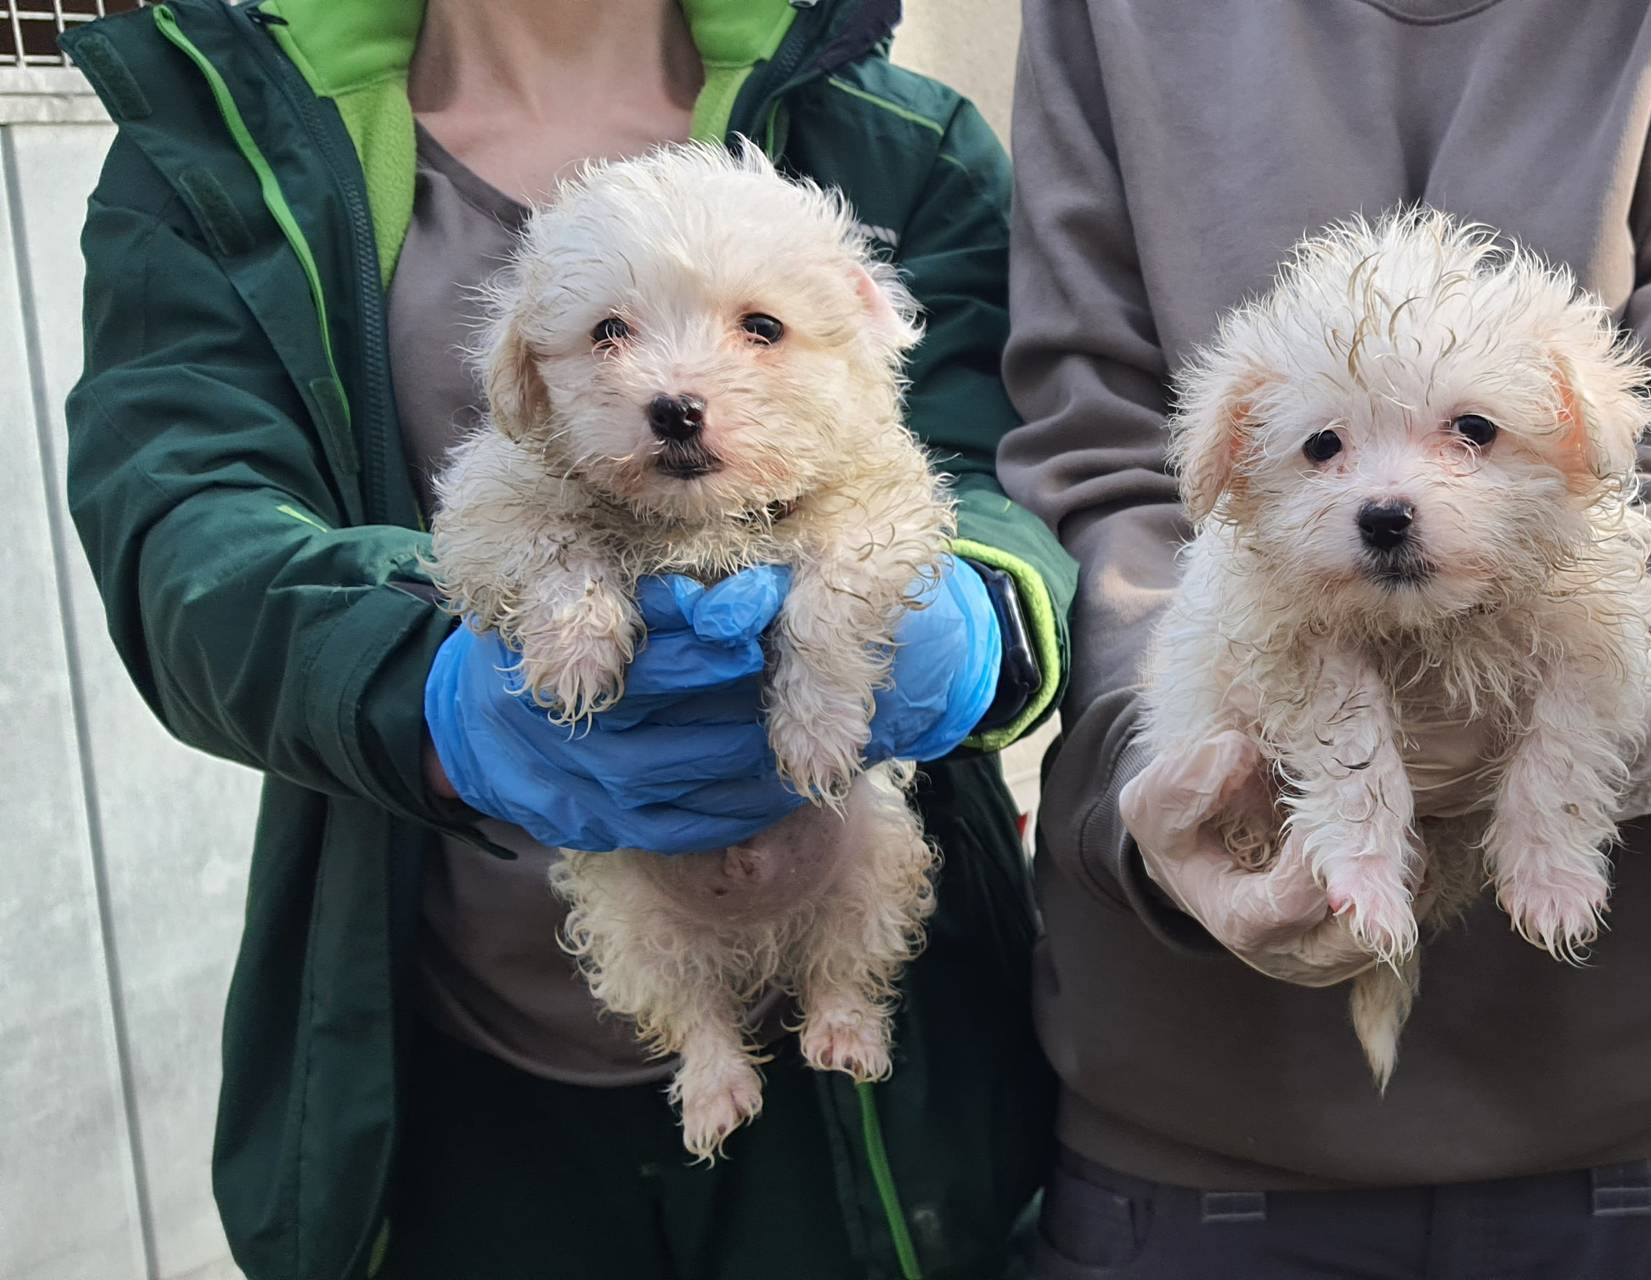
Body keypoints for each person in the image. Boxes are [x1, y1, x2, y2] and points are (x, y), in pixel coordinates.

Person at [60, 1, 1074, 1276]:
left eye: (756, 329)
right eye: (607, 335)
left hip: (895, 1089)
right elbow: (180, 519)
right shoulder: (213, 130)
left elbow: (1035, 466)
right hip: (442, 1057)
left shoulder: (897, 140)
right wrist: (423, 695)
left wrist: (976, 612)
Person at [996, 1, 1651, 1274]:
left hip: (1650, 1081)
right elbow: (1099, 449)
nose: (1389, 494)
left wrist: (1648, 681)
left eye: (1465, 433)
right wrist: (1162, 775)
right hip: (1196, 1101)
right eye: (1330, 448)